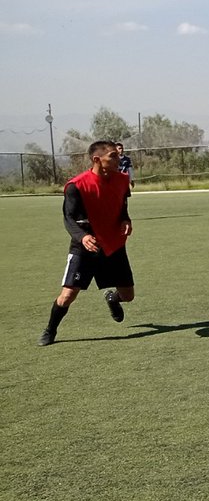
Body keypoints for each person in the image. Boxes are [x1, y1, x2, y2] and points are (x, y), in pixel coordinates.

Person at [38, 140, 134, 346]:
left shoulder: (122, 180)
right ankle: (50, 330)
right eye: (113, 156)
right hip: (85, 246)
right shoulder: (76, 186)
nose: (119, 158)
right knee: (67, 296)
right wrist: (82, 237)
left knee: (128, 296)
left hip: (114, 245)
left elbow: (122, 206)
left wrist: (126, 219)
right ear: (96, 159)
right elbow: (69, 219)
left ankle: (112, 298)